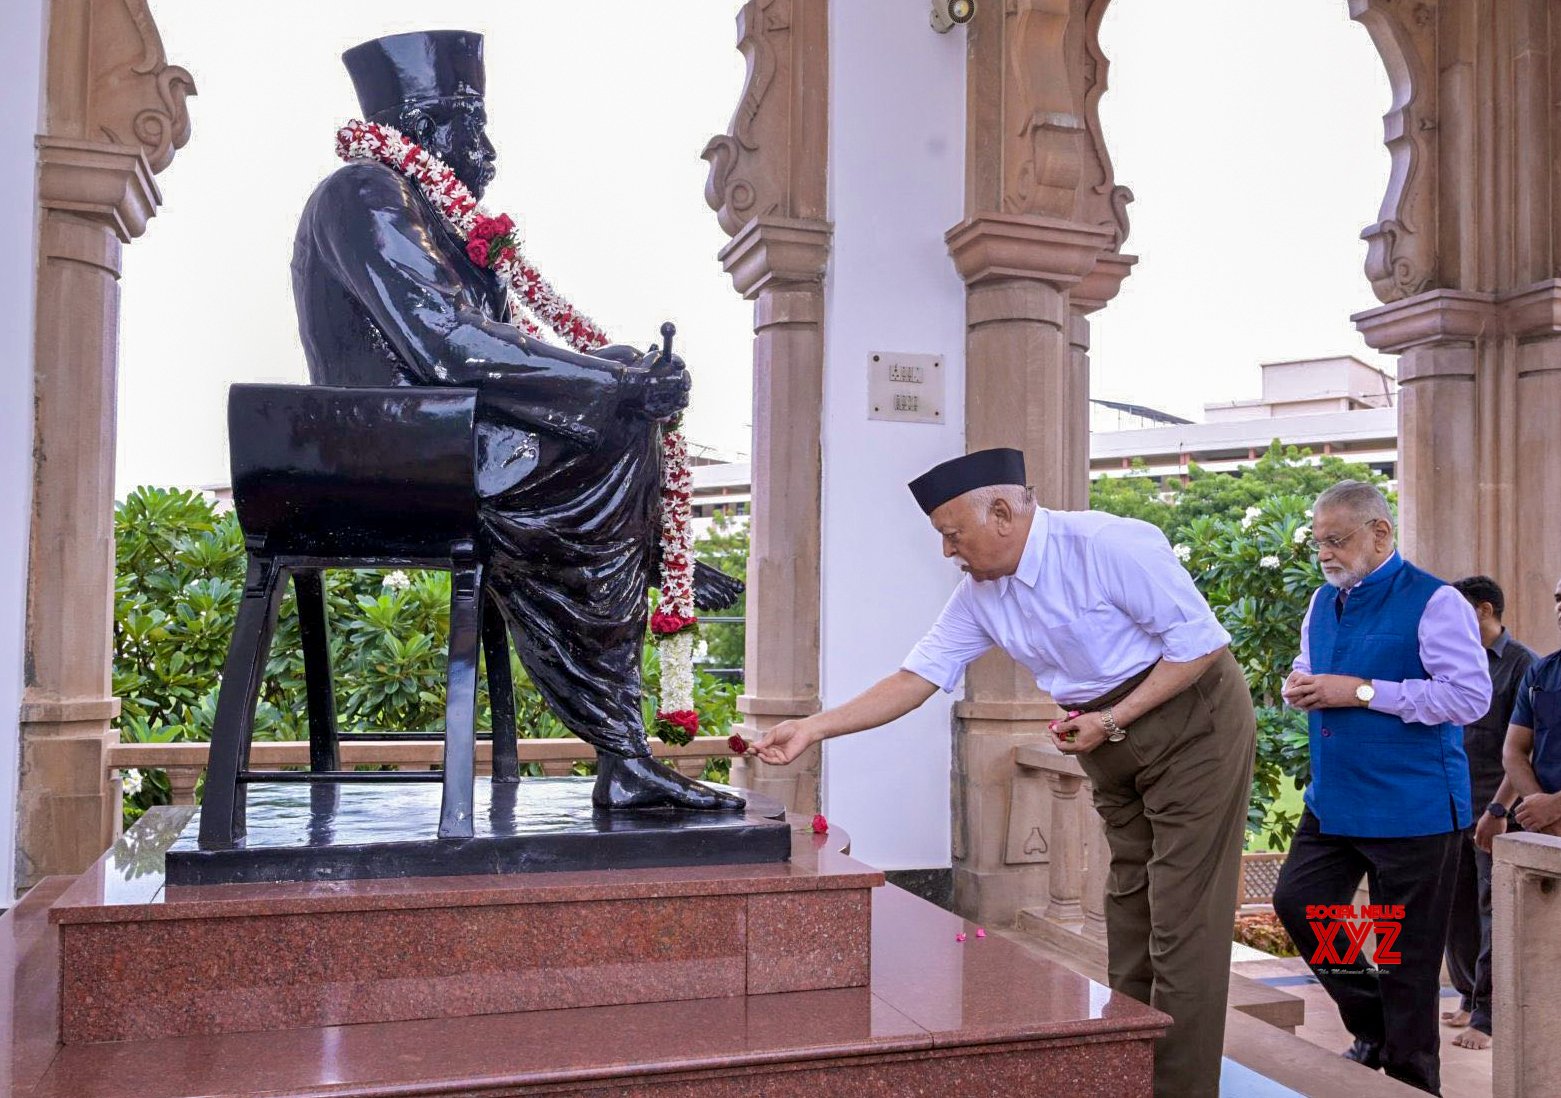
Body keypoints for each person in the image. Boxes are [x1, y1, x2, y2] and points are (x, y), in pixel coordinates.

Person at [292, 30, 740, 810]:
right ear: (417, 128)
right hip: (392, 451)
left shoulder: (442, 216)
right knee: (611, 404)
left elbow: (507, 350)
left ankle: (629, 558)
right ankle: (625, 570)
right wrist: (617, 386)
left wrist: (619, 370)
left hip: (450, 438)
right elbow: (448, 349)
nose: (486, 147)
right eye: (467, 122)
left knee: (619, 383)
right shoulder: (364, 193)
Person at [754, 448, 1256, 1098]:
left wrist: (1112, 718)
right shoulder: (978, 597)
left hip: (1192, 720)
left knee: (1183, 916)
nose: (946, 551)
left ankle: (1180, 1089)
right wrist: (813, 727)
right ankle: (1127, 1065)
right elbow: (917, 678)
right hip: (1102, 734)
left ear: (1000, 511)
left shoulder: (1108, 543)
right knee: (1127, 902)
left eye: (949, 533)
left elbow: (1199, 644)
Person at [1274, 481, 1491, 1096]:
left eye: (1337, 541)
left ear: (1380, 533)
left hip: (1414, 810)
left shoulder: (1436, 601)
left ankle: (1413, 1083)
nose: (1326, 555)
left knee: (1406, 963)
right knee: (1301, 903)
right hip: (1335, 800)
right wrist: (1301, 682)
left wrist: (1363, 690)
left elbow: (1470, 697)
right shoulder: (1323, 601)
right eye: (1319, 544)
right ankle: (1372, 1022)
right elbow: (1311, 664)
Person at [1438, 577, 1534, 1050]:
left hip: (1496, 811)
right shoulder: (1452, 661)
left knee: (1491, 909)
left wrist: (1499, 809)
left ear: (1483, 610)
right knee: (1454, 908)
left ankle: (1489, 1019)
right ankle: (1468, 996)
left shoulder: (1524, 666)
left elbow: (1524, 750)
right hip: (1450, 806)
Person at [1476, 575, 1561, 848]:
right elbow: (1513, 750)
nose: (1560, 607)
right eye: (1558, 599)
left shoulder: (1522, 660)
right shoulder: (1542, 672)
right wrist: (1540, 810)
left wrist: (1556, 806)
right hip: (1544, 831)